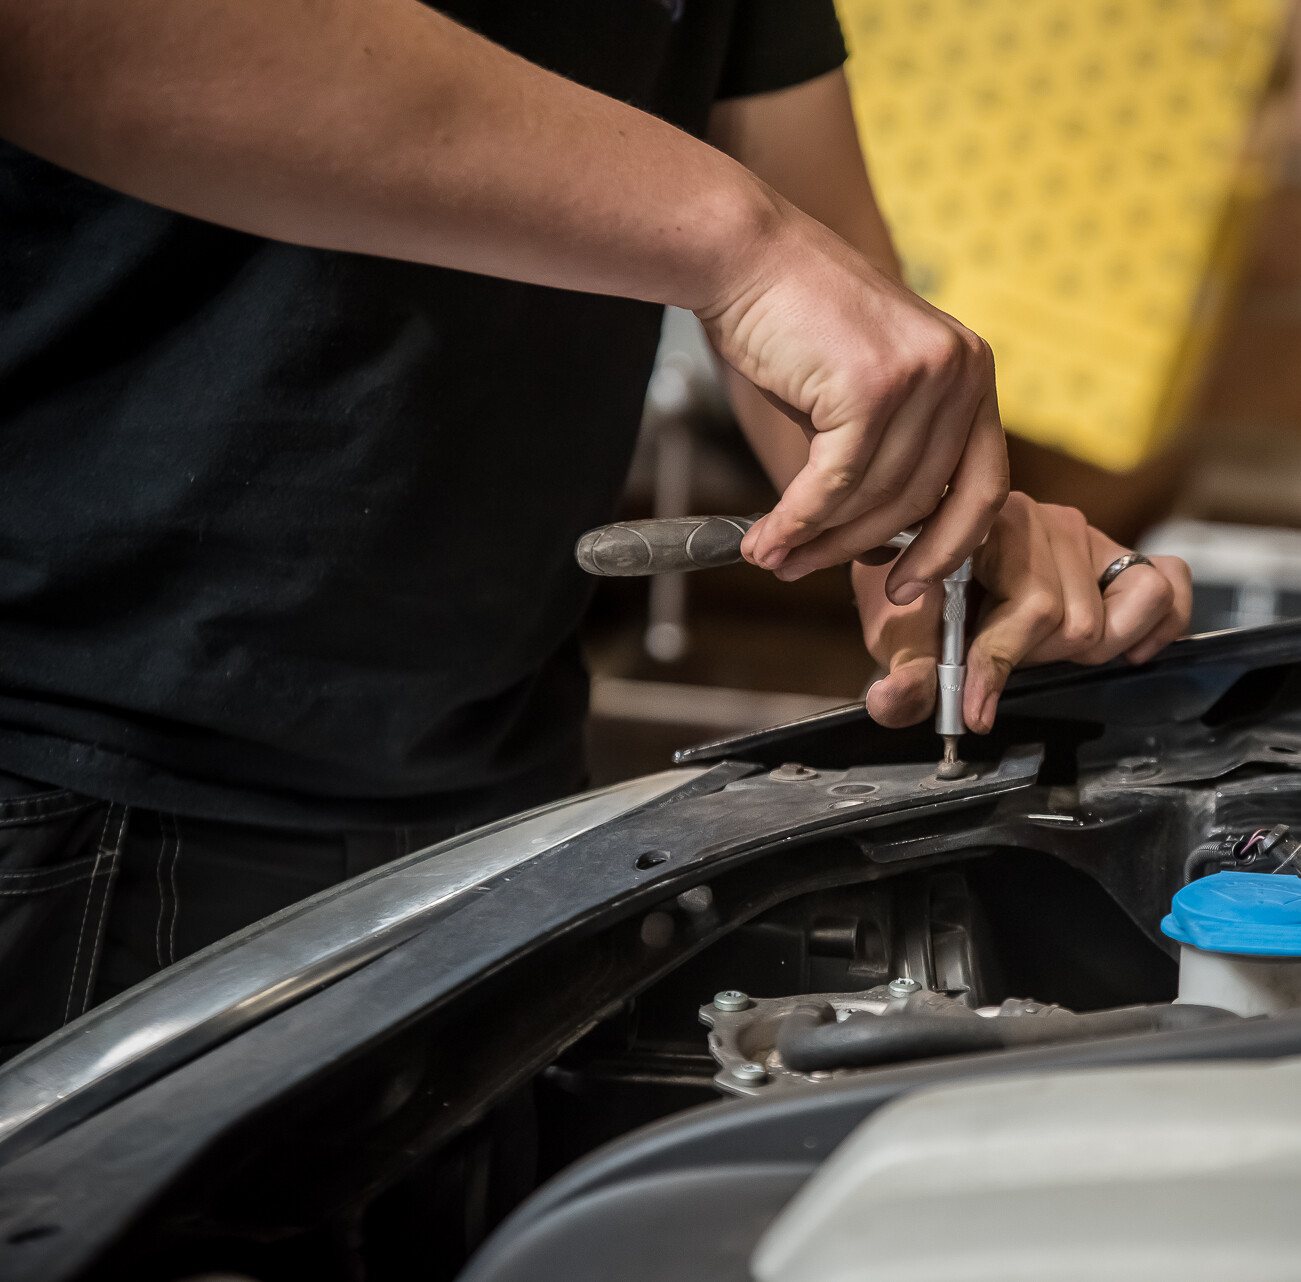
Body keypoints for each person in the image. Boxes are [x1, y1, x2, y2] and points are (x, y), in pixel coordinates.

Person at [0, 0, 1191, 1056]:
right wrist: (741, 244)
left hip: (498, 805)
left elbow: (836, 311)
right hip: (67, 791)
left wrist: (945, 550)